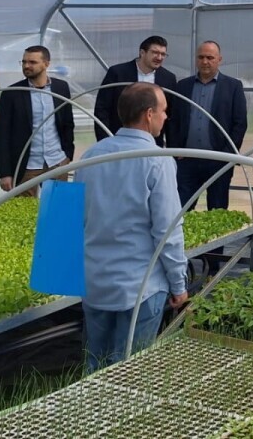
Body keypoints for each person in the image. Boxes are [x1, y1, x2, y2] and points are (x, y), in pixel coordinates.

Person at [76, 83, 188, 371]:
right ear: (149, 114)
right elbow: (167, 230)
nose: (166, 117)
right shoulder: (157, 160)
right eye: (164, 111)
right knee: (130, 371)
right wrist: (179, 283)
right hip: (140, 287)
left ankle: (90, 401)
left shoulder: (91, 156)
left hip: (96, 281)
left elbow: (79, 219)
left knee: (95, 365)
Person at [171, 40, 247, 211]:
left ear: (219, 59)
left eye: (210, 57)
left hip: (218, 161)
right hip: (187, 161)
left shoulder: (233, 86)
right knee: (181, 209)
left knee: (217, 209)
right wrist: (176, 150)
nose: (205, 61)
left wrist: (227, 155)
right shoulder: (183, 86)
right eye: (201, 57)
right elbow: (174, 120)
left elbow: (240, 123)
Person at [0, 45, 76, 196]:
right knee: (24, 209)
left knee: (56, 206)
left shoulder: (61, 88)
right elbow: (3, 135)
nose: (26, 66)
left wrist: (68, 155)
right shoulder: (12, 93)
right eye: (24, 62)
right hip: (27, 165)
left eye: (32, 62)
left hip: (56, 162)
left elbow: (67, 123)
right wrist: (5, 173)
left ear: (46, 64)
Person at [92, 36, 178, 146]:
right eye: (155, 52)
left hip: (153, 144)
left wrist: (171, 148)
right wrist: (105, 141)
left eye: (163, 54)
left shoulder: (168, 78)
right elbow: (102, 109)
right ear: (142, 52)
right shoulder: (117, 73)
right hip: (118, 141)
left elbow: (171, 116)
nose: (159, 57)